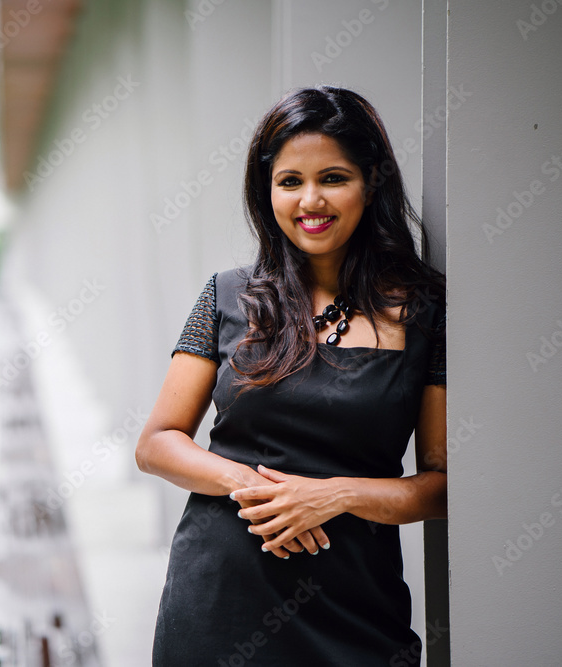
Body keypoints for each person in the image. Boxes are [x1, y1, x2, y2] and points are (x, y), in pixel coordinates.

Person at [135, 86, 447, 666]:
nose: (311, 201)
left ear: (371, 181)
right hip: (219, 599)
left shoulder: (427, 311)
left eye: (333, 178)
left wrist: (335, 496)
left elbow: (443, 484)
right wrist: (256, 488)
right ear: (268, 189)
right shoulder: (227, 296)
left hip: (357, 604)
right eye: (289, 181)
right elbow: (156, 444)